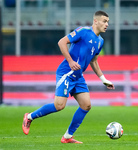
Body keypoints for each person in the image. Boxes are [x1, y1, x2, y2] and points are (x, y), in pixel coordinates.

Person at [22, 10, 115, 144]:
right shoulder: (83, 31)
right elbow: (61, 42)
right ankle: (29, 117)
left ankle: (67, 137)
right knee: (59, 106)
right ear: (95, 21)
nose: (107, 24)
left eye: (108, 22)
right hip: (66, 72)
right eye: (104, 21)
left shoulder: (100, 41)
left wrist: (103, 79)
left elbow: (93, 61)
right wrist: (71, 61)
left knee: (86, 105)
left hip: (78, 76)